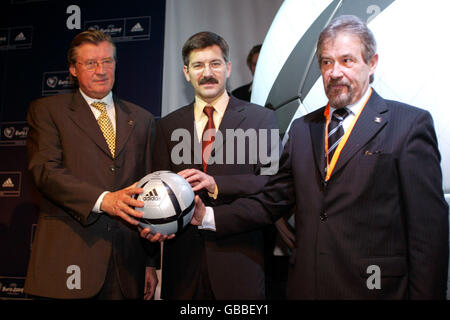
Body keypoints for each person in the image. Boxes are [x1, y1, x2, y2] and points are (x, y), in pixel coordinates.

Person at [190, 15, 449, 299]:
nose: (335, 72)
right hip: (308, 287)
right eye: (326, 62)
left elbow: (428, 235)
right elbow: (271, 201)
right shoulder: (303, 130)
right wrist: (208, 216)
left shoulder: (408, 125)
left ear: (371, 63)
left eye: (347, 61)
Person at [142, 31, 279, 299]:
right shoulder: (168, 126)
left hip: (239, 262)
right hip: (182, 268)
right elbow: (155, 193)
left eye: (215, 64)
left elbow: (272, 183)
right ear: (186, 72)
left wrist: (217, 184)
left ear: (227, 68)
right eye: (198, 65)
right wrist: (150, 258)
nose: (207, 73)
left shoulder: (260, 119)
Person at [25, 30, 159, 299]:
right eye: (90, 63)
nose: (101, 70)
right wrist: (103, 200)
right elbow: (45, 171)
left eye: (107, 61)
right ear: (73, 70)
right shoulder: (48, 111)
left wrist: (149, 262)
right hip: (69, 260)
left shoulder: (142, 119)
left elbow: (148, 190)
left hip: (126, 267)